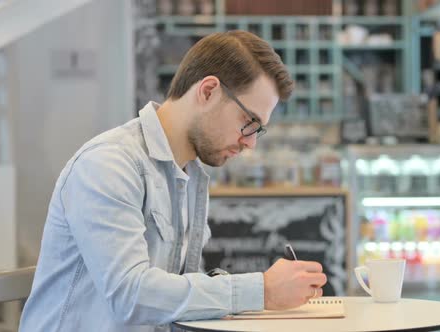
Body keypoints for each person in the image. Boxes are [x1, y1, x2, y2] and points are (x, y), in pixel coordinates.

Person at [19, 30, 327, 332]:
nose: (250, 144)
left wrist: (251, 292)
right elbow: (130, 295)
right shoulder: (109, 163)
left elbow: (172, 294)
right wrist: (261, 290)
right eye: (250, 122)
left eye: (258, 130)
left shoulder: (190, 175)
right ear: (208, 91)